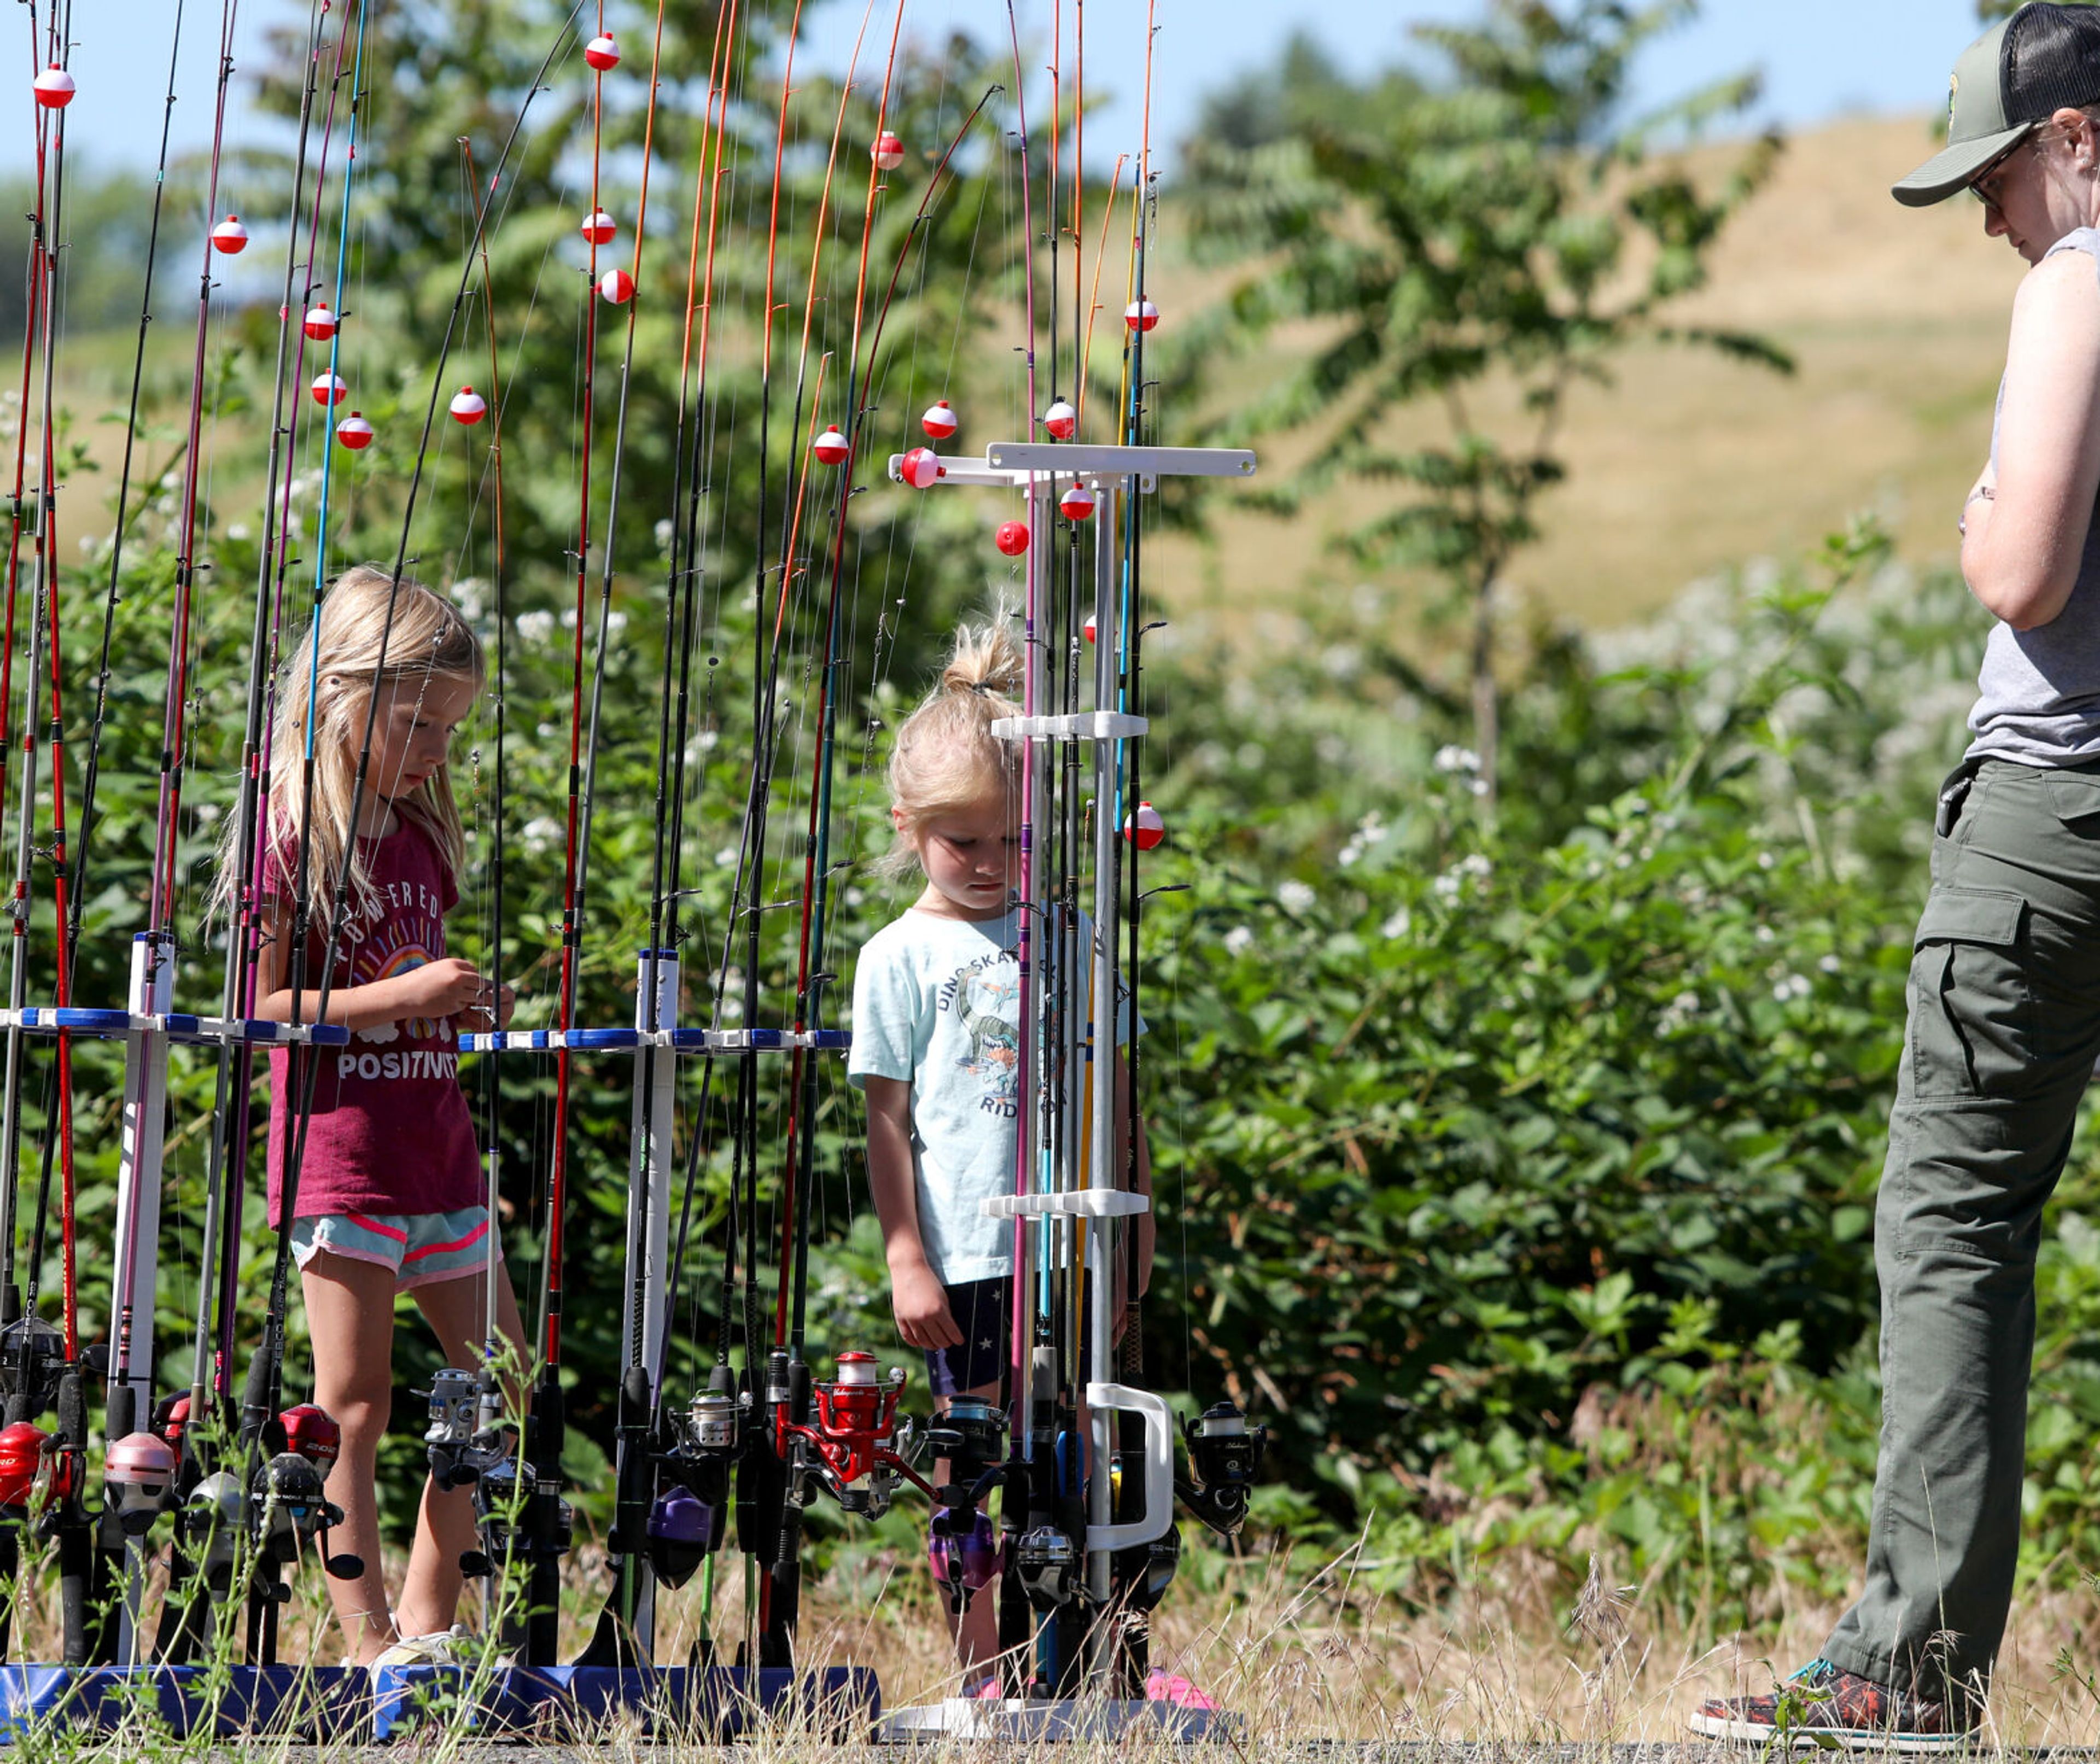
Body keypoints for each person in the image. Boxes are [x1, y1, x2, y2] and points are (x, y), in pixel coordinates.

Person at [1691, 4, 2100, 1749]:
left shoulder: (2080, 281)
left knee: (1951, 1225)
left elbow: (2018, 574)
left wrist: (1979, 503)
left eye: (2002, 178)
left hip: (2056, 817)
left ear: (2077, 140)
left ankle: (1905, 1676)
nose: (1995, 221)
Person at [848, 616, 1157, 1698]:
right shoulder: (897, 956)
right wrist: (905, 1258)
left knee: (1084, 1439)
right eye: (961, 842)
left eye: (1011, 841)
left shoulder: (1077, 937)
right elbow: (886, 1120)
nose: (987, 864)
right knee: (968, 1452)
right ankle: (980, 1668)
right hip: (964, 1250)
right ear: (909, 828)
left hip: (1075, 1238)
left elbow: (1122, 1093)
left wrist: (1138, 1217)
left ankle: (1094, 1657)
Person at [228, 564, 524, 1668]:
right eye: (418, 725)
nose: (438, 750)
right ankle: (365, 1645)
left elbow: (410, 975)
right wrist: (403, 998)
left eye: (452, 728)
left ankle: (430, 1621)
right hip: (342, 1162)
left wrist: (456, 997)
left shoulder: (418, 830)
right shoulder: (290, 832)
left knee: (501, 1379)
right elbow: (260, 1008)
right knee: (353, 1406)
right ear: (344, 696)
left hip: (441, 1155)